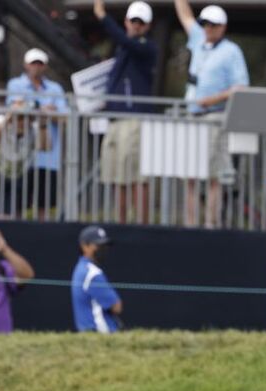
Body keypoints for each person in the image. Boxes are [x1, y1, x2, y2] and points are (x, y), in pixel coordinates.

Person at [173, 1, 249, 228]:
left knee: (213, 175)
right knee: (190, 174)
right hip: (192, 117)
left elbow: (240, 87)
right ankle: (190, 223)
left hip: (214, 117)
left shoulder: (231, 51)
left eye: (213, 25)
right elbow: (185, 17)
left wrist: (211, 100)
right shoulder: (198, 40)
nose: (208, 28)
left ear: (223, 27)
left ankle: (211, 223)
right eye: (205, 24)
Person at [94, 0, 157, 224]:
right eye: (133, 21)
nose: (136, 26)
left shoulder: (146, 47)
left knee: (136, 176)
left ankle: (140, 224)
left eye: (141, 22)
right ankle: (119, 224)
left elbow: (123, 39)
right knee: (116, 176)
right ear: (126, 21)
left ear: (148, 26)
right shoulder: (123, 50)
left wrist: (102, 16)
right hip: (115, 121)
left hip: (134, 121)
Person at [5, 47, 68, 216]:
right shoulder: (15, 84)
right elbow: (13, 111)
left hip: (48, 159)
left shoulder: (55, 88)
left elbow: (65, 118)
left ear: (45, 66)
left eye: (40, 63)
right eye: (34, 63)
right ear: (26, 65)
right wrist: (43, 109)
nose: (36, 67)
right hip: (20, 157)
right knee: (17, 205)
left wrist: (34, 109)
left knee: (44, 206)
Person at [71, 225, 122, 333]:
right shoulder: (92, 273)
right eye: (98, 245)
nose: (103, 249)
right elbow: (116, 306)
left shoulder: (80, 268)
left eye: (105, 245)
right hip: (102, 334)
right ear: (85, 246)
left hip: (89, 333)